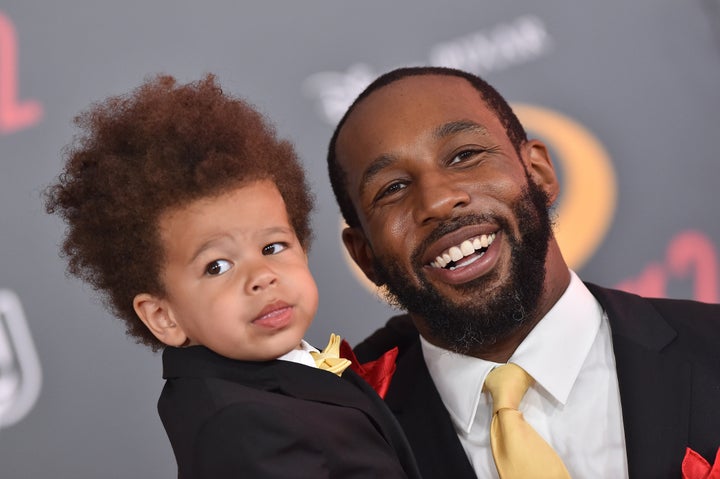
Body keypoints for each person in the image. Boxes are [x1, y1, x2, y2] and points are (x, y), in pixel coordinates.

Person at [326, 66, 720, 479]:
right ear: (364, 255)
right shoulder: (337, 437)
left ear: (539, 173)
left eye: (464, 156)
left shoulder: (711, 346)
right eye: (393, 188)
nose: (439, 201)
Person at [44, 74, 420, 479]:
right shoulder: (243, 428)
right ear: (162, 316)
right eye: (217, 266)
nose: (261, 276)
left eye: (273, 248)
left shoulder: (253, 375)